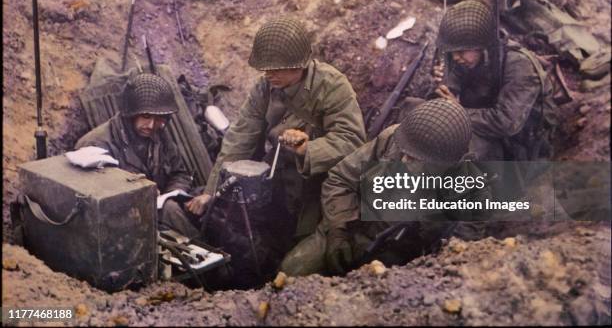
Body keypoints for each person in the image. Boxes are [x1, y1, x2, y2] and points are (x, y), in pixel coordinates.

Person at [188, 16, 367, 250]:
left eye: (276, 68)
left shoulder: (332, 86)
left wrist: (308, 149)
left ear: (299, 64)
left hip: (320, 184)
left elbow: (352, 141)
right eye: (265, 68)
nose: (268, 74)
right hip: (276, 177)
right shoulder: (265, 88)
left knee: (306, 251)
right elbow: (239, 140)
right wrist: (211, 192)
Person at [280, 99, 491, 276]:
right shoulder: (395, 138)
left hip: (403, 260)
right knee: (291, 270)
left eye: (416, 158)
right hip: (351, 227)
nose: (405, 158)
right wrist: (338, 231)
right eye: (405, 151)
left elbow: (456, 259)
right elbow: (340, 178)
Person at [429, 0, 558, 161]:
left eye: (461, 51)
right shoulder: (468, 56)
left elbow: (506, 123)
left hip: (518, 142)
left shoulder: (520, 66)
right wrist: (442, 92)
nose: (456, 57)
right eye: (453, 52)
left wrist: (457, 112)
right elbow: (449, 86)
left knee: (460, 153)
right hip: (483, 121)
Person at [75, 72, 199, 239]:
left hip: (155, 212)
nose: (151, 125)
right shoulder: (95, 144)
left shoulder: (158, 135)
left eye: (159, 119)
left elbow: (180, 173)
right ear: (131, 114)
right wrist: (140, 195)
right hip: (118, 224)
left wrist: (171, 194)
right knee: (171, 212)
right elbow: (92, 200)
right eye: (146, 116)